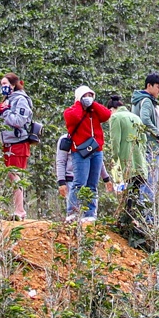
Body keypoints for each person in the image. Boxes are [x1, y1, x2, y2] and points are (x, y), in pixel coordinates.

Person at [62, 86, 111, 221]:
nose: (88, 98)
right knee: (79, 182)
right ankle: (72, 212)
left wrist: (93, 104)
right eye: (85, 95)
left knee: (92, 184)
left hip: (96, 150)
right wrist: (79, 103)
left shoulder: (94, 111)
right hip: (80, 151)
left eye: (90, 95)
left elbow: (106, 115)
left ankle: (90, 214)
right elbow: (74, 118)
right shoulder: (71, 111)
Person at [0, 75, 33, 219]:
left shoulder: (21, 100)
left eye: (5, 83)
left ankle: (20, 210)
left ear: (13, 84)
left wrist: (5, 111)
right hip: (7, 142)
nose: (3, 86)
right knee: (11, 175)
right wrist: (0, 110)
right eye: (1, 84)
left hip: (18, 141)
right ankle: (17, 209)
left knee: (15, 175)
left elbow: (19, 120)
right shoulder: (7, 100)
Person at [132, 73, 159, 203]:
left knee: (143, 181)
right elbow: (145, 120)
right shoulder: (146, 101)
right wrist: (157, 133)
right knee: (150, 182)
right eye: (158, 87)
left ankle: (142, 214)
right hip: (149, 147)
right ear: (149, 85)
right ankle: (148, 218)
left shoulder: (137, 100)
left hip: (140, 145)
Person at [103, 92, 145, 196]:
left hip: (124, 164)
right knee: (135, 195)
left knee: (124, 197)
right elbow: (143, 141)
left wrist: (114, 159)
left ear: (111, 109)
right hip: (139, 164)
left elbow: (115, 141)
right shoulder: (136, 117)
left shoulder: (115, 117)